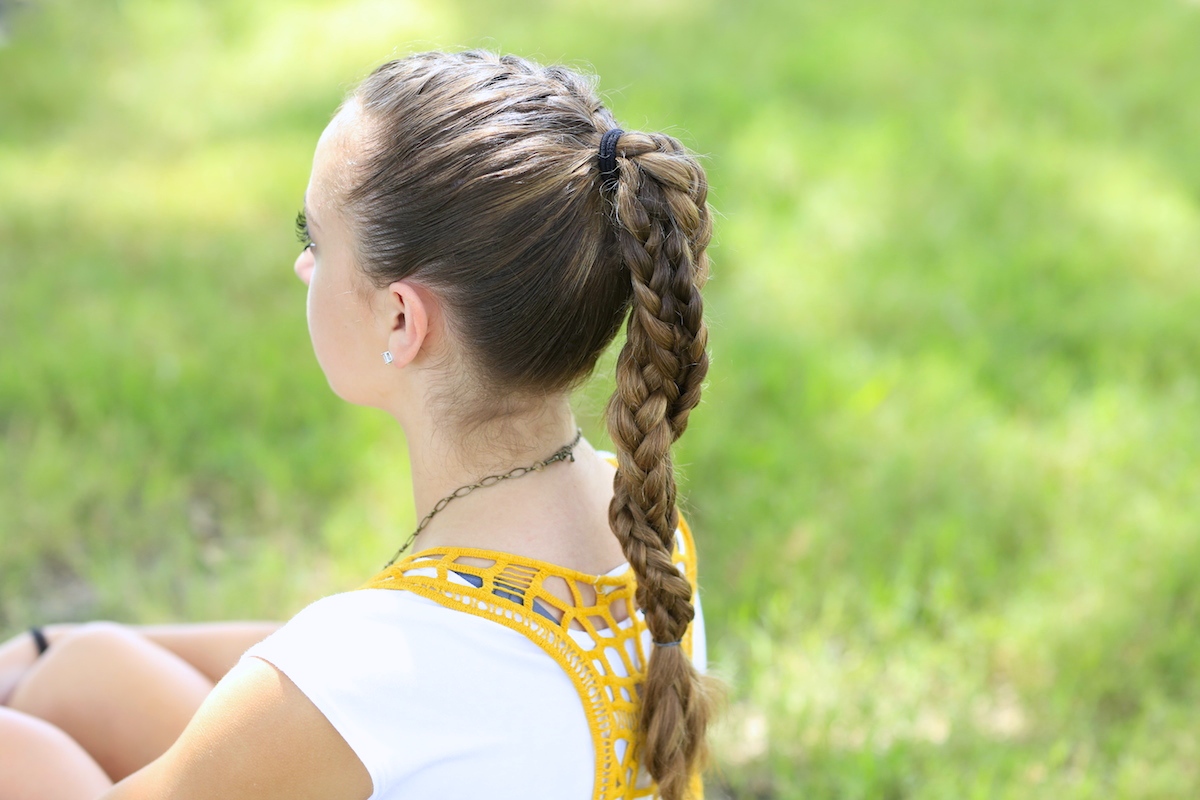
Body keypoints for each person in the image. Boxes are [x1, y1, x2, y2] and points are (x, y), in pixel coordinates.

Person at [0, 49, 716, 800]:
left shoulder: (369, 670)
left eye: (315, 240)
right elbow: (325, 678)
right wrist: (51, 643)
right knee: (87, 673)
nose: (302, 268)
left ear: (402, 319)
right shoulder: (639, 526)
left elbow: (334, 685)